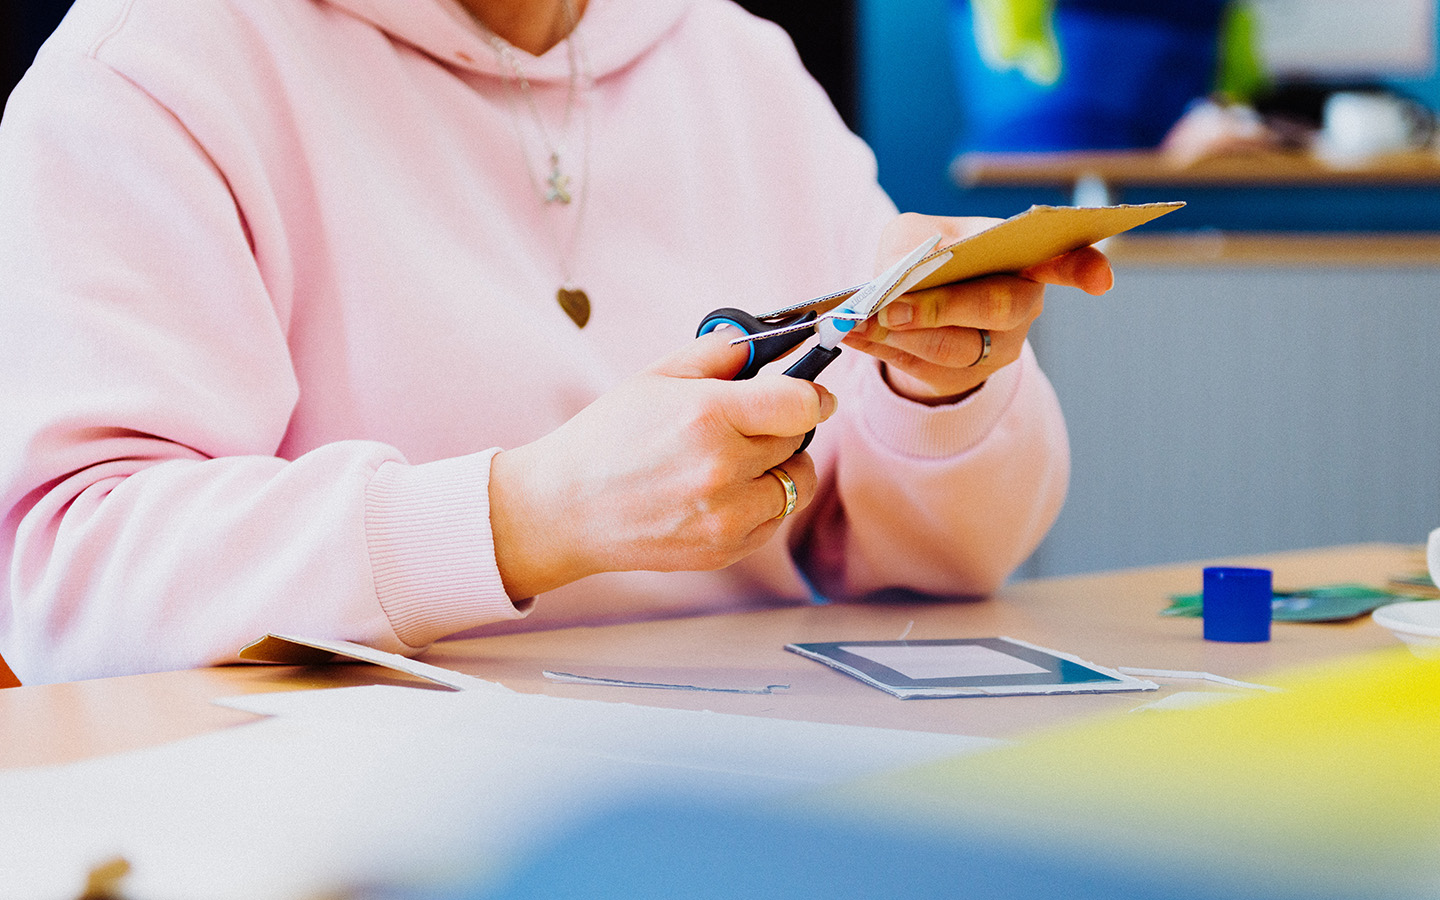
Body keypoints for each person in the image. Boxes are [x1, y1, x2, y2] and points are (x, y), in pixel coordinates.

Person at [0, 0, 1111, 685]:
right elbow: (72, 580)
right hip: (366, 817)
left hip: (758, 775)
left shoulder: (735, 59)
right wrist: (532, 515)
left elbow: (948, 565)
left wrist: (938, 394)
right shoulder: (149, 65)